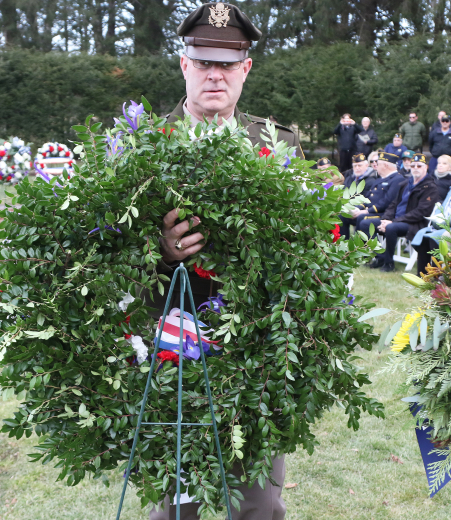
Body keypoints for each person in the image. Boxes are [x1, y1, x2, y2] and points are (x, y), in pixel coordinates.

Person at [156, 4, 297, 518]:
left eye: (228, 64)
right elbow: (108, 254)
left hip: (256, 351)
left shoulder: (280, 145)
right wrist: (161, 249)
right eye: (203, 62)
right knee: (176, 508)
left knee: (259, 505)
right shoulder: (143, 143)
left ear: (245, 69)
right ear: (184, 65)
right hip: (169, 347)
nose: (215, 74)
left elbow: (299, 244)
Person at [365, 153, 438, 272]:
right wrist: (386, 219)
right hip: (396, 220)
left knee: (391, 228)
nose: (415, 168)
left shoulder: (430, 187)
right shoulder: (406, 184)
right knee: (366, 223)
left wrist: (393, 221)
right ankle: (380, 257)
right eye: (413, 166)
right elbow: (393, 204)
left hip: (415, 223)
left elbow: (421, 212)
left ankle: (389, 263)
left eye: (419, 166)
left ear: (426, 167)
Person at [355, 152, 404, 233]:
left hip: (383, 213)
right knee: (344, 216)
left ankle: (362, 241)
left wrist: (367, 211)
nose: (376, 166)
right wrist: (358, 208)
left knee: (362, 218)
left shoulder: (397, 179)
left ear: (385, 166)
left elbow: (387, 201)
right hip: (372, 211)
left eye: (378, 164)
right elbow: (368, 197)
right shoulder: (380, 179)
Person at [339, 153, 379, 239]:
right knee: (340, 216)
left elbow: (367, 199)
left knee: (360, 218)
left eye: (360, 165)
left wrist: (356, 209)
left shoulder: (371, 180)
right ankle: (343, 242)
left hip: (362, 210)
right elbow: (343, 194)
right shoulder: (350, 178)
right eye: (355, 166)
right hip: (349, 209)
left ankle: (357, 243)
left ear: (366, 166)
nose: (357, 168)